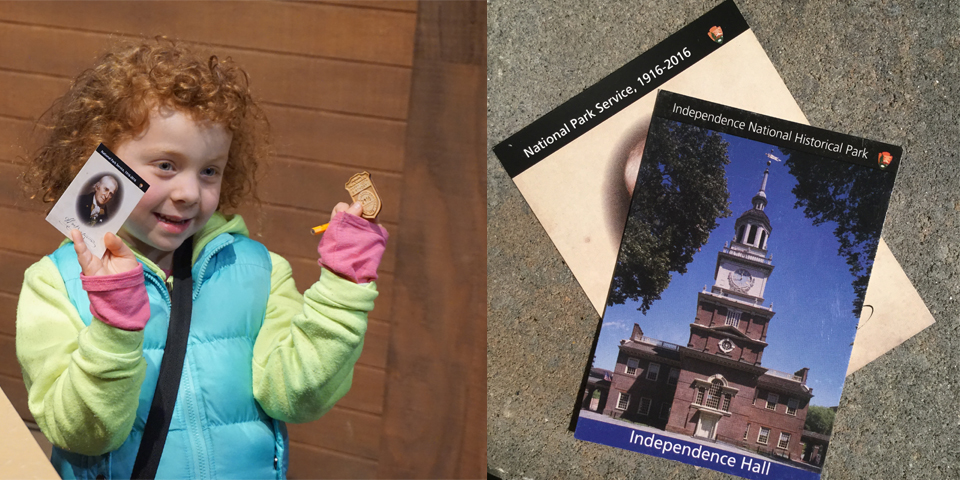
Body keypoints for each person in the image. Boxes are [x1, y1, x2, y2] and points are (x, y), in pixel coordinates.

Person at [16, 39, 388, 479]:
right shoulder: (54, 283)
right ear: (102, 164)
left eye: (209, 170)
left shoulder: (260, 271)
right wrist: (114, 327)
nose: (189, 192)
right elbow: (84, 435)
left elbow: (297, 397)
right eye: (166, 165)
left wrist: (344, 288)